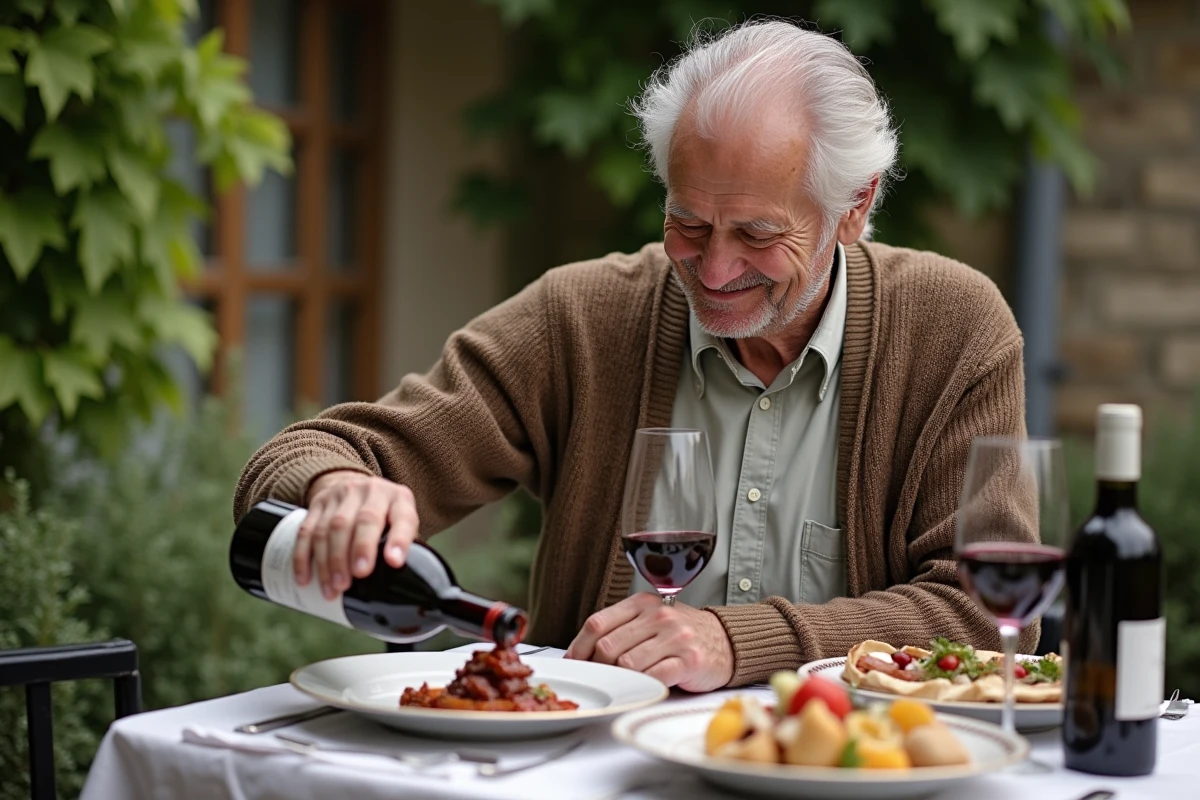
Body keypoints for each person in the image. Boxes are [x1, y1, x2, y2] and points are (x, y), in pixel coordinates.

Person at [233, 19, 1035, 692]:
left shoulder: (954, 330)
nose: (714, 271)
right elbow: (311, 455)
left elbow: (987, 617)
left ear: (854, 207)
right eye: (688, 223)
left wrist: (737, 642)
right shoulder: (582, 319)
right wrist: (338, 488)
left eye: (756, 234)